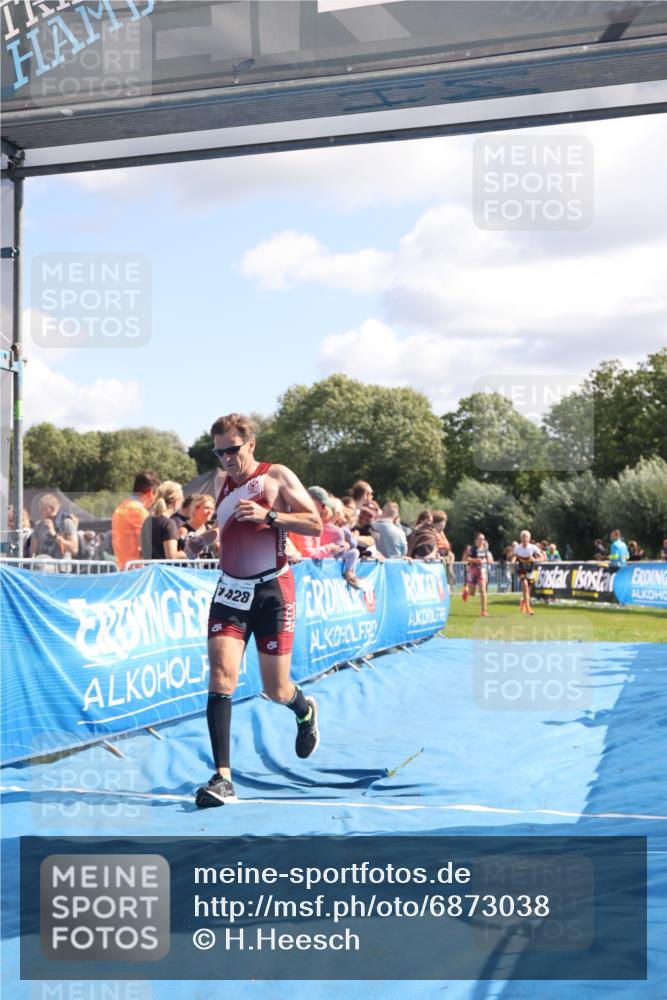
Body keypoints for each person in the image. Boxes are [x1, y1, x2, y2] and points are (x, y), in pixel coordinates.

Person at [196, 413, 322, 809]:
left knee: (275, 689)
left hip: (272, 590)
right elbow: (226, 526)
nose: (226, 459)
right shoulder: (220, 482)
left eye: (232, 450)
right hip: (231, 590)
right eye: (219, 452)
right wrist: (203, 540)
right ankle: (223, 778)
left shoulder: (277, 476)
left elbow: (315, 523)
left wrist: (271, 516)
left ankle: (304, 710)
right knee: (221, 675)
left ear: (250, 444)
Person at [112, 470, 159, 569]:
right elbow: (148, 545)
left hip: (121, 566)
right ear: (151, 492)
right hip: (135, 569)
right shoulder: (139, 511)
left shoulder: (121, 506)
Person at [141, 481, 185, 560]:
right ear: (176, 501)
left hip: (150, 570)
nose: (182, 501)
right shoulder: (169, 524)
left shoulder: (147, 521)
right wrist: (191, 552)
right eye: (182, 499)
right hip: (164, 571)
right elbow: (171, 556)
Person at [31, 494, 78, 559]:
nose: (41, 512)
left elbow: (74, 549)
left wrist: (54, 534)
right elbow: (33, 552)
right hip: (41, 566)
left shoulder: (67, 522)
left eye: (43, 509)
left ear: (52, 509)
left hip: (61, 567)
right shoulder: (38, 525)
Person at [513, 529, 545, 615]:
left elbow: (543, 558)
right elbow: (513, 558)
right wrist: (513, 561)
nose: (525, 539)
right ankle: (528, 608)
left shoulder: (533, 547)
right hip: (521, 569)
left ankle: (523, 602)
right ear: (520, 538)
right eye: (523, 537)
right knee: (525, 586)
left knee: (528, 591)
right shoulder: (517, 548)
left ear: (529, 538)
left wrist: (534, 559)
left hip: (531, 570)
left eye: (526, 537)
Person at [462, 532, 493, 616]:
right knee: (473, 593)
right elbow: (465, 559)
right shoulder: (471, 549)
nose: (481, 541)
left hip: (481, 571)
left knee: (483, 590)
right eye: (479, 539)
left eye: (483, 539)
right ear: (475, 540)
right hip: (472, 571)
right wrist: (475, 560)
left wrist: (488, 561)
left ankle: (484, 611)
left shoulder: (485, 550)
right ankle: (466, 592)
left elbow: (490, 560)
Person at [180, 493, 219, 560]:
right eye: (207, 508)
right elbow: (176, 554)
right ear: (196, 508)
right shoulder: (184, 530)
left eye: (212, 509)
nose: (210, 511)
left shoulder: (210, 529)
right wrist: (193, 550)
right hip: (190, 569)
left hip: (209, 569)